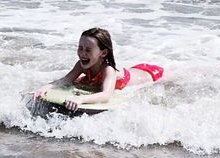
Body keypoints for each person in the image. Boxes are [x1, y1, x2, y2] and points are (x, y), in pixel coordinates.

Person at [32, 27, 163, 111]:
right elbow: (66, 80)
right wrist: (45, 88)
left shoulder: (108, 69)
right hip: (135, 69)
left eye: (88, 50)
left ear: (103, 53)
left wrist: (80, 99)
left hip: (151, 74)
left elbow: (106, 95)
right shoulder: (81, 64)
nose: (82, 53)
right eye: (80, 48)